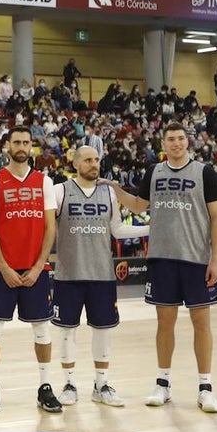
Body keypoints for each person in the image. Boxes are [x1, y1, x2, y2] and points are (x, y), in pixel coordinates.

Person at [109, 122, 217, 413]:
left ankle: (205, 388)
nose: (176, 143)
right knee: (165, 323)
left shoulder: (204, 172)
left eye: (180, 139)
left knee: (201, 323)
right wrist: (116, 190)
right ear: (163, 143)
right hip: (162, 258)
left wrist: (215, 259)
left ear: (188, 142)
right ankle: (163, 383)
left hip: (196, 259)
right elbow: (138, 206)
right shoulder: (154, 172)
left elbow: (216, 218)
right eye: (171, 139)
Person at [52, 146, 149, 408]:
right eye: (87, 160)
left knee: (103, 332)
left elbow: (116, 230)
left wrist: (151, 228)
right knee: (66, 332)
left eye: (96, 160)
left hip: (102, 275)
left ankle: (101, 384)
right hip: (68, 275)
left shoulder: (108, 193)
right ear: (75, 164)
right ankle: (69, 383)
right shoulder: (60, 191)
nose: (93, 164)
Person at [0, 125, 62, 415]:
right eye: (17, 142)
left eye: (26, 142)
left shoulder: (44, 182)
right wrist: (2, 266)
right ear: (8, 146)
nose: (22, 146)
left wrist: (40, 265)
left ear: (31, 147)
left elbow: (50, 227)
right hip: (1, 269)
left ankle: (45, 386)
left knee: (41, 328)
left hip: (35, 268)